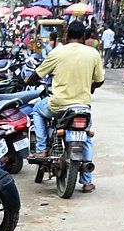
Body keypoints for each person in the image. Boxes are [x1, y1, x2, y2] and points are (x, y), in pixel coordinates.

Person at [31, 18, 104, 192]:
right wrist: (90, 86)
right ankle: (87, 182)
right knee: (85, 138)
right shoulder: (93, 53)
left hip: (58, 106)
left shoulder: (58, 52)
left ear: (66, 35)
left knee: (37, 110)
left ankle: (41, 149)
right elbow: (99, 80)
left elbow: (38, 74)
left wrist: (26, 80)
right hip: (82, 107)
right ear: (84, 36)